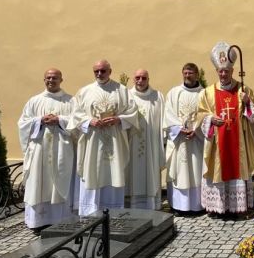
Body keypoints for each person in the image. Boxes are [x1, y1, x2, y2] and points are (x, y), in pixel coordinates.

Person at [197, 41, 254, 216]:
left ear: (232, 71)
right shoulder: (208, 92)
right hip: (218, 142)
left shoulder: (242, 89)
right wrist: (210, 119)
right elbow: (200, 114)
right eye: (221, 71)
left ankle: (236, 208)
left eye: (226, 71)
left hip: (237, 140)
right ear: (217, 71)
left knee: (236, 167)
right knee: (219, 168)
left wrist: (248, 102)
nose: (223, 74)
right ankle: (219, 207)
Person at [68, 60, 139, 215]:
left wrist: (119, 119)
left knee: (114, 173)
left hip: (114, 139)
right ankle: (90, 213)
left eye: (103, 71)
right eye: (96, 71)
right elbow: (76, 114)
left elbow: (133, 112)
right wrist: (89, 121)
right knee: (92, 171)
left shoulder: (121, 90)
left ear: (110, 71)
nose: (99, 74)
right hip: (93, 140)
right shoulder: (84, 91)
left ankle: (113, 212)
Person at [18, 69, 75, 232]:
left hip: (61, 150)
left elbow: (77, 122)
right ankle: (38, 221)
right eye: (48, 78)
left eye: (55, 78)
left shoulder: (71, 101)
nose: (51, 80)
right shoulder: (34, 101)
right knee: (38, 182)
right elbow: (22, 123)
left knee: (60, 182)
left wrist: (59, 120)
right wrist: (39, 120)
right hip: (39, 151)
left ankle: (61, 219)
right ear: (44, 79)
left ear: (61, 79)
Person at [164, 62, 205, 214]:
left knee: (196, 170)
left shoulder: (203, 94)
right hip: (179, 139)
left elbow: (206, 116)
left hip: (196, 140)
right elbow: (168, 114)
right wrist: (178, 128)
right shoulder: (174, 93)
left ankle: (197, 205)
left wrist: (196, 130)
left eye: (191, 73)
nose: (187, 76)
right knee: (180, 171)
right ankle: (179, 206)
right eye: (185, 73)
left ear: (197, 75)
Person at [126, 69, 165, 210]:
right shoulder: (127, 96)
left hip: (152, 145)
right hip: (131, 144)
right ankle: (132, 204)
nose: (140, 81)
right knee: (132, 174)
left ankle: (151, 204)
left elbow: (163, 121)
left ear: (148, 79)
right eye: (137, 78)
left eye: (143, 78)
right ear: (133, 79)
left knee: (151, 172)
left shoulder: (157, 96)